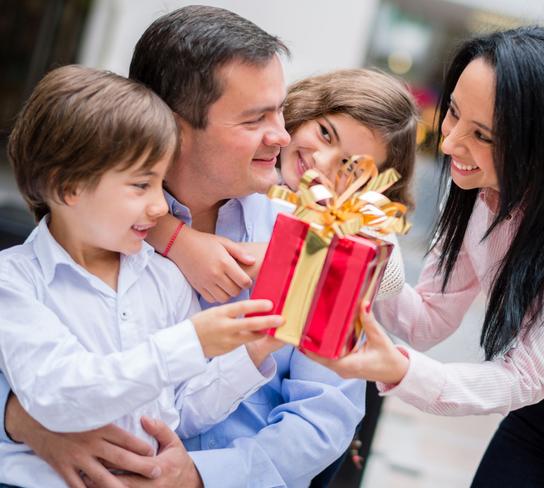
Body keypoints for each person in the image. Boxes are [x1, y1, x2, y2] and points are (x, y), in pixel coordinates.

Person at [0, 6, 364, 488]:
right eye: (256, 118)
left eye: (281, 109)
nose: (281, 134)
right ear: (173, 125)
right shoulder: (100, 222)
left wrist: (200, 476)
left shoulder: (317, 238)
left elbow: (328, 416)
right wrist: (19, 417)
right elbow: (33, 353)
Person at [312, 26, 544, 487]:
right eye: (453, 113)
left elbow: (527, 373)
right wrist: (373, 244)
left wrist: (402, 370)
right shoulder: (478, 182)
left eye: (483, 135)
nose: (449, 143)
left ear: (542, 145)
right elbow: (425, 319)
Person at [0, 64, 285, 488]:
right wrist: (191, 342)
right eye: (140, 186)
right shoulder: (14, 281)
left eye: (160, 185)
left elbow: (182, 410)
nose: (159, 207)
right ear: (67, 188)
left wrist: (251, 353)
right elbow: (58, 396)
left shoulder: (165, 279)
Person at [152, 67, 420, 486]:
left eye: (351, 166)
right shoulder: (163, 194)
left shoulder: (344, 237)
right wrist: (174, 238)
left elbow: (320, 416)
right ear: (300, 112)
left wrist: (204, 475)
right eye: (326, 134)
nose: (323, 162)